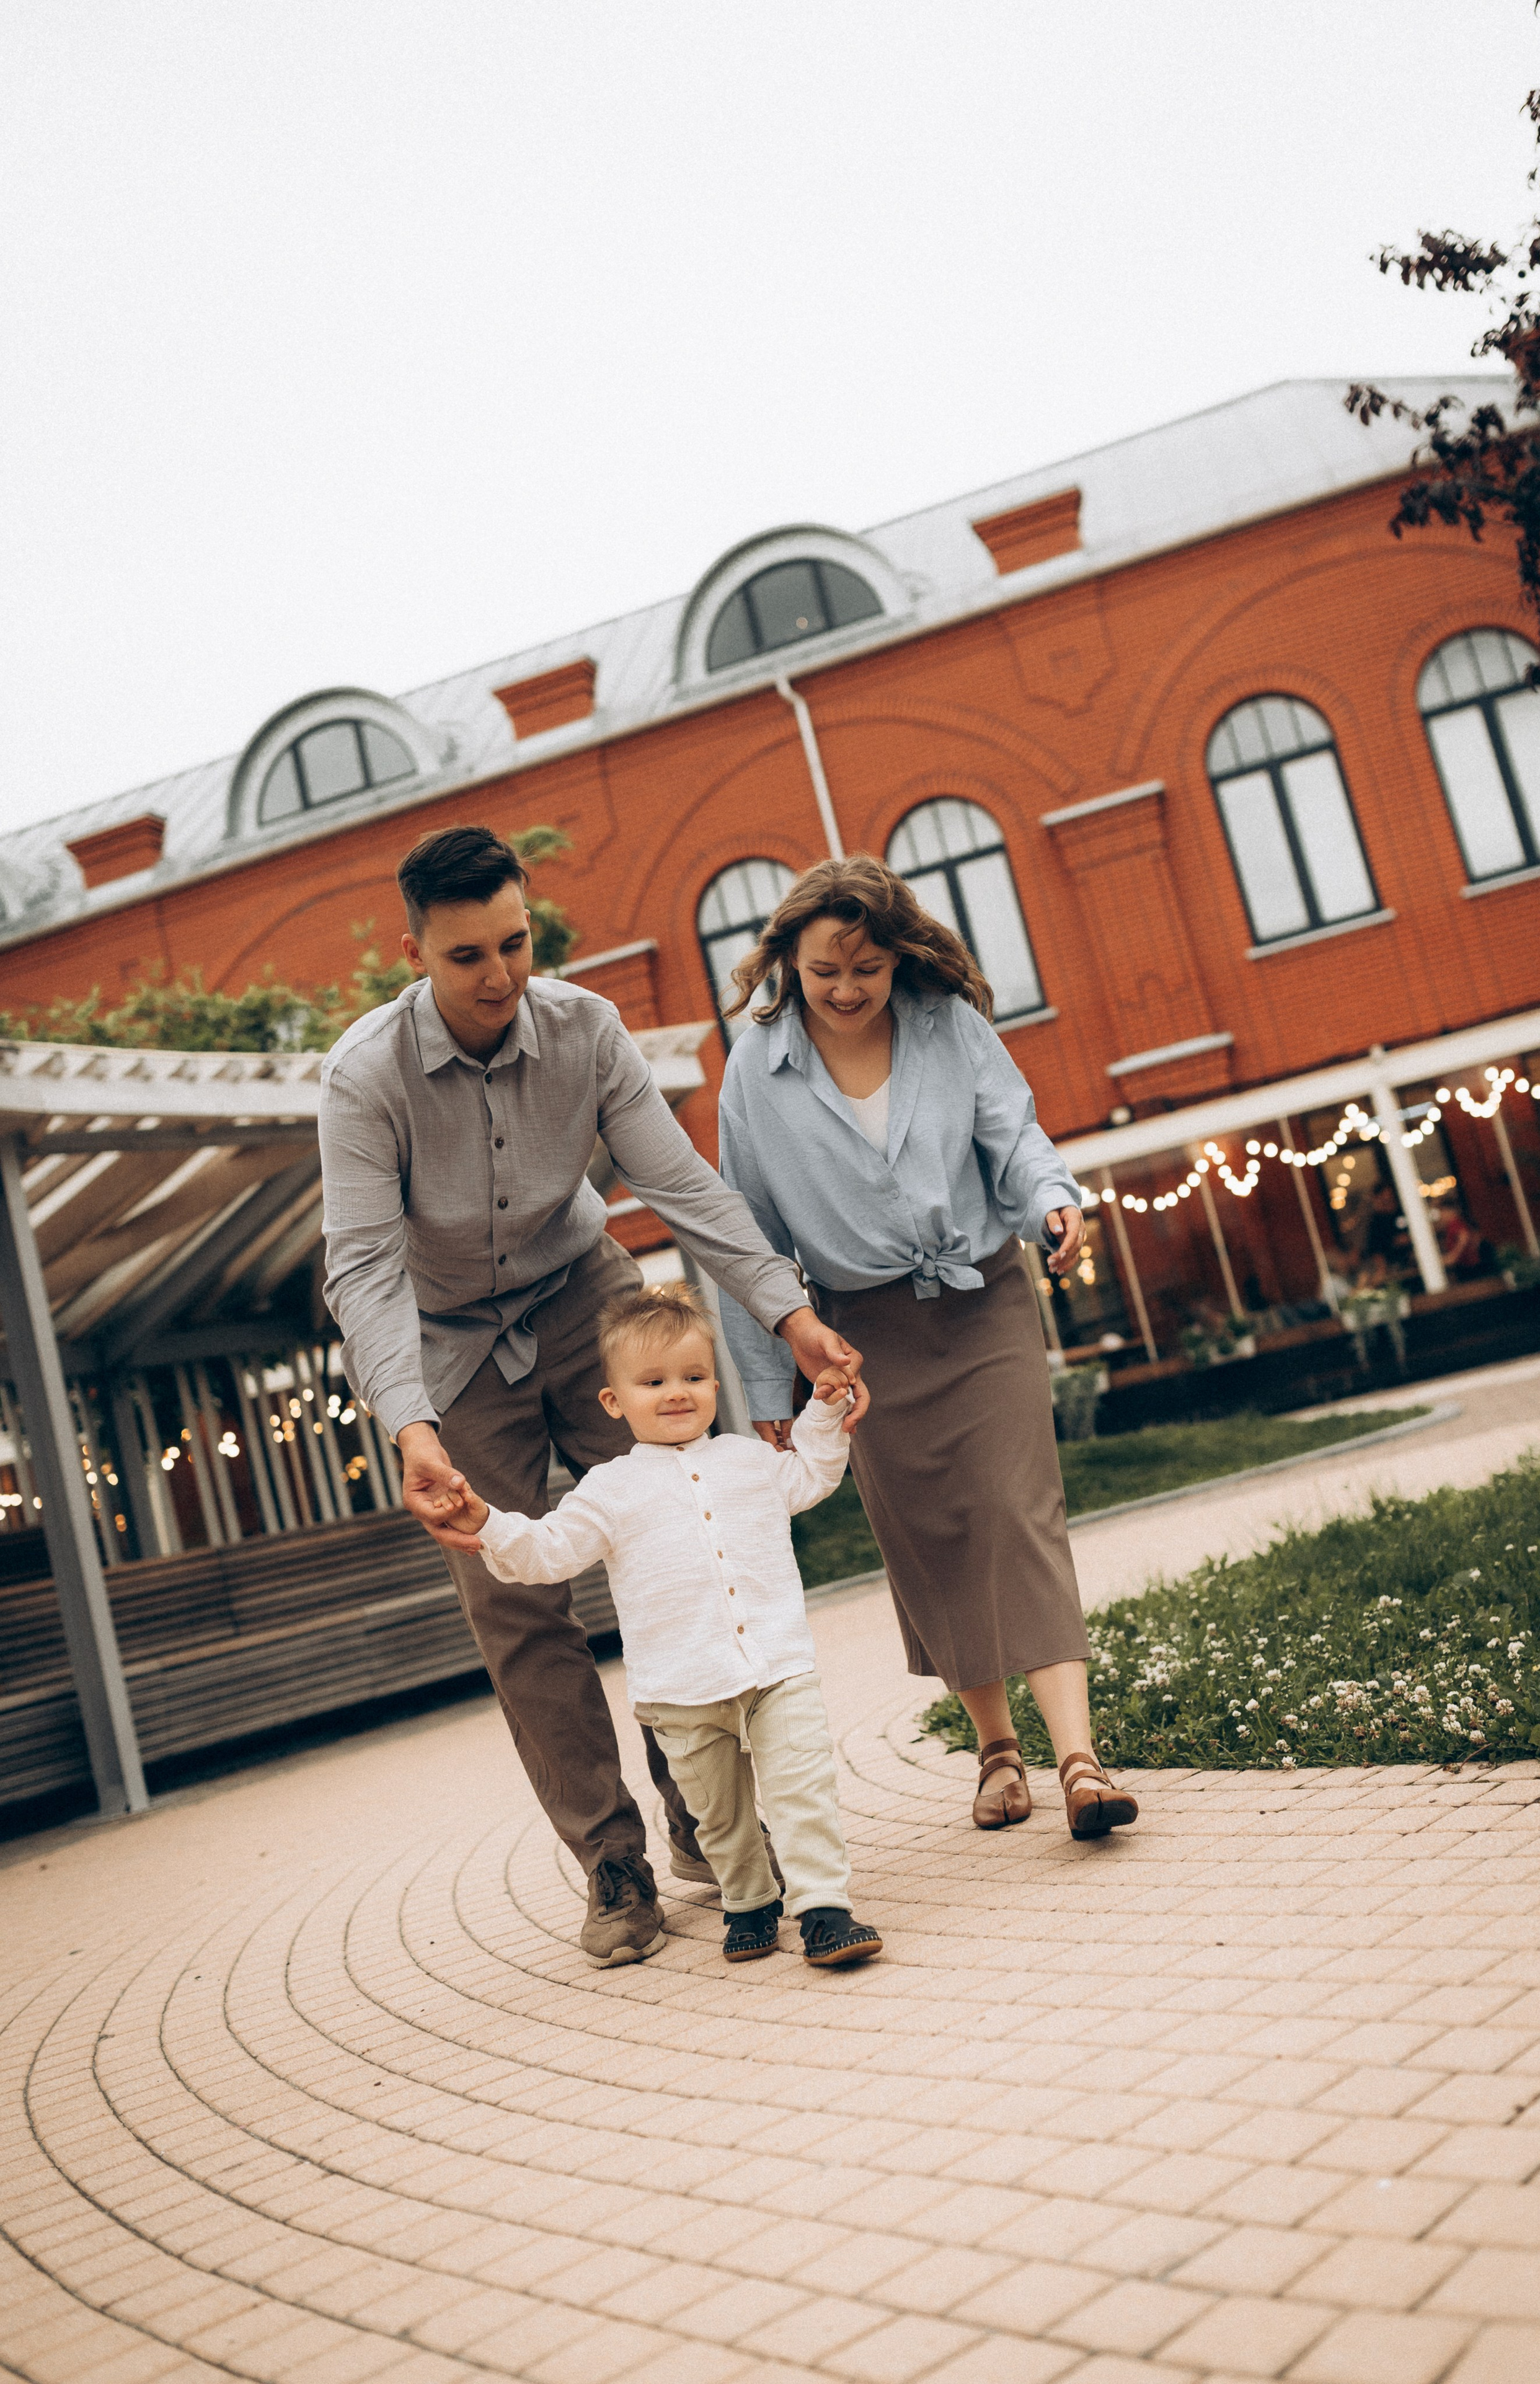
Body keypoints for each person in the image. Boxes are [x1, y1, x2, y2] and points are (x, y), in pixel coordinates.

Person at [318, 825, 867, 1969]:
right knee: (517, 1604)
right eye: (467, 955)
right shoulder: (363, 1077)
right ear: (415, 950)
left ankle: (707, 1823)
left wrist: (792, 1315)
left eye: (515, 943)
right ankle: (611, 1858)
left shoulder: (586, 1029)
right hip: (448, 1344)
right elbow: (363, 1264)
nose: (499, 976)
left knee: (670, 1531)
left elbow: (682, 1186)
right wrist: (411, 1426)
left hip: (585, 1299)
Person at [715, 853, 1139, 1844]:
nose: (849, 989)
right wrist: (771, 1380)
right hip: (859, 1340)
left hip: (982, 1298)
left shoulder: (949, 1023)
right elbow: (749, 1233)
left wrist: (1054, 1202)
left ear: (900, 957)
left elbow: (1015, 1134)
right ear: (788, 962)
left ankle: (1079, 1760)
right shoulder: (756, 1068)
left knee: (1014, 1509)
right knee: (932, 1533)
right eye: (826, 972)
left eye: (868, 968)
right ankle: (997, 1751)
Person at [436, 1282, 884, 1970]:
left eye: (694, 1376)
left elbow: (812, 1477)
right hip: (682, 1687)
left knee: (802, 1788)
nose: (677, 1392)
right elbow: (547, 1551)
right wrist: (488, 1523)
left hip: (775, 1664)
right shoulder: (609, 1489)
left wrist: (822, 1414)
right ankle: (748, 1900)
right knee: (719, 1815)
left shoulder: (748, 1460)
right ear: (614, 1402)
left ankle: (824, 1908)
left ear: (714, 1382)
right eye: (653, 1381)